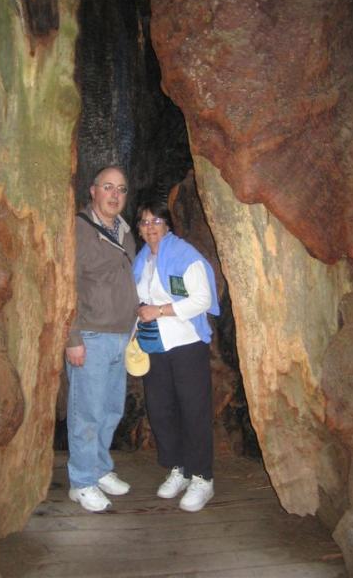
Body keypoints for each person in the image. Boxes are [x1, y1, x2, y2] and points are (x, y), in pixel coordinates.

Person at [132, 200, 220, 512]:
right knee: (161, 409)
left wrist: (160, 310)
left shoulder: (185, 256)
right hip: (156, 347)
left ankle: (202, 477)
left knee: (193, 410)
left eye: (157, 221)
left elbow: (202, 299)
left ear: (168, 225)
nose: (150, 227)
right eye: (144, 222)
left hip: (186, 345)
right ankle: (178, 469)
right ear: (139, 229)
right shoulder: (143, 260)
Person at [65, 165, 138, 512]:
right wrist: (72, 336)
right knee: (87, 414)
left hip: (121, 336)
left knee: (111, 410)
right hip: (91, 336)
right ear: (93, 191)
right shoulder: (79, 229)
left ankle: (100, 468)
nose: (114, 194)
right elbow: (66, 284)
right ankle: (81, 481)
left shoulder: (125, 232)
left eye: (121, 189)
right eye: (107, 187)